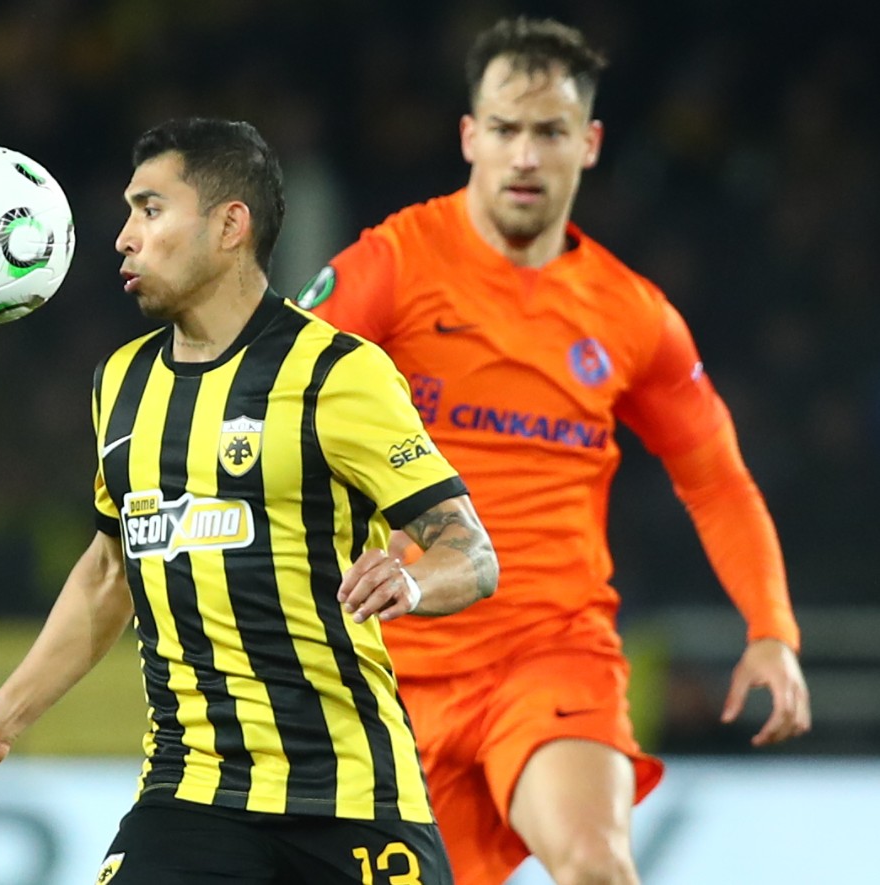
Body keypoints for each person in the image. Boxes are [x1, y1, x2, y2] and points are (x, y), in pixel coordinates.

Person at [0, 117, 499, 884]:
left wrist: (413, 580)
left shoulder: (336, 372)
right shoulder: (122, 383)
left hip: (349, 795)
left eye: (151, 209)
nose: (124, 237)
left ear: (230, 226)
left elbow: (469, 548)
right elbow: (109, 572)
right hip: (190, 793)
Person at [294, 17, 811, 885]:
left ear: (590, 142)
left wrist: (772, 629)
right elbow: (276, 396)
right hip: (394, 659)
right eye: (505, 129)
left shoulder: (631, 313)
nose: (526, 156)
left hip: (551, 649)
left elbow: (717, 479)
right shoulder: (393, 264)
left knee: (595, 865)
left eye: (550, 131)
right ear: (470, 136)